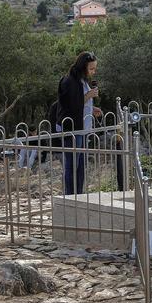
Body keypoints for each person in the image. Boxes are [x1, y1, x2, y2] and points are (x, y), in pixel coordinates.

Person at [56, 51, 102, 195]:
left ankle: (79, 194)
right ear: (83, 67)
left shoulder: (81, 80)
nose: (93, 72)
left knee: (80, 166)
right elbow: (71, 105)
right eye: (91, 68)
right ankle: (70, 196)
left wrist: (91, 108)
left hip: (82, 129)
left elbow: (80, 102)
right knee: (72, 165)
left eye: (95, 68)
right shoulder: (69, 81)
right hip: (74, 130)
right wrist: (89, 95)